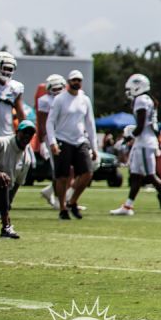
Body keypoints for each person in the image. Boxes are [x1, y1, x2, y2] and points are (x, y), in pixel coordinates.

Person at [111, 74, 161, 216]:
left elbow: (140, 126)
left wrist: (127, 138)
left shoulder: (141, 100)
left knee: (151, 176)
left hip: (145, 143)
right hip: (145, 141)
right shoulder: (147, 99)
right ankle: (128, 206)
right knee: (136, 175)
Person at [47, 70, 98, 220]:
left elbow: (90, 123)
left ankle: (72, 201)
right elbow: (50, 121)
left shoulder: (85, 99)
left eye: (79, 80)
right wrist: (52, 142)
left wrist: (94, 147)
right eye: (74, 80)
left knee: (88, 172)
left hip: (80, 140)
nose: (76, 83)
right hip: (63, 139)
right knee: (62, 177)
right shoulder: (60, 99)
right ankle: (62, 207)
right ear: (68, 82)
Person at [34, 75, 67, 210]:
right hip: (52, 138)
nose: (57, 91)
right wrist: (41, 142)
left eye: (60, 88)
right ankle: (61, 200)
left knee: (68, 169)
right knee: (59, 170)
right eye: (55, 88)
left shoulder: (68, 99)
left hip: (67, 136)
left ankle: (51, 192)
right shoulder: (45, 100)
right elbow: (42, 122)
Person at [0, 52, 25, 138]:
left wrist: (24, 131)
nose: (7, 72)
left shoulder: (15, 87)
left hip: (8, 133)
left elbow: (20, 113)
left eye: (10, 69)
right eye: (5, 68)